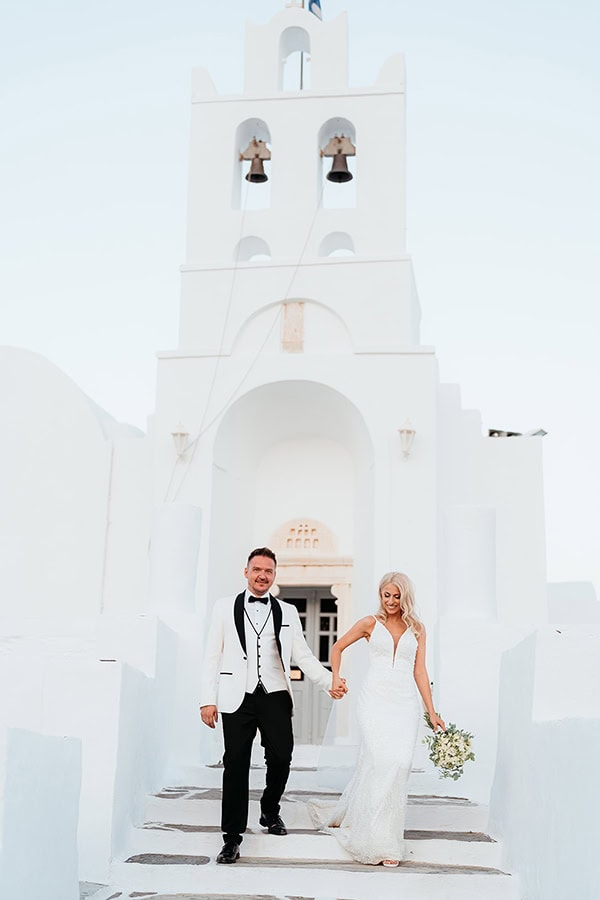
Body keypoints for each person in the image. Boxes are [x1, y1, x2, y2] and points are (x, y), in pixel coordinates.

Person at [199, 547, 347, 865]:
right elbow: (212, 654)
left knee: (281, 756)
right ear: (246, 572)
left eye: (268, 571)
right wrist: (207, 699)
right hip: (236, 696)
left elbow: (303, 655)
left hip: (275, 692)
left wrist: (329, 681)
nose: (262, 575)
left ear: (274, 575)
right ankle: (232, 838)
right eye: (257, 570)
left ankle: (269, 809)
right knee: (235, 765)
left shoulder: (287, 612)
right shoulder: (224, 607)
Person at [309, 572, 445, 867]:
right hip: (374, 701)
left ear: (405, 597)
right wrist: (335, 677)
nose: (391, 601)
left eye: (397, 596)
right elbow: (337, 647)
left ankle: (387, 835)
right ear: (380, 595)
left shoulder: (417, 628)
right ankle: (377, 841)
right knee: (381, 761)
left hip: (405, 703)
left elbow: (420, 672)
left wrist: (431, 711)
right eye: (386, 595)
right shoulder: (369, 623)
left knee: (400, 764)